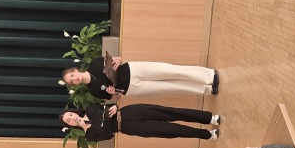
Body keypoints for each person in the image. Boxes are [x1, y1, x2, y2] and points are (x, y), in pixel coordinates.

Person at [61, 56, 219, 100]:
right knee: (172, 87)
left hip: (134, 69)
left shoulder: (95, 63)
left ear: (75, 70)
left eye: (72, 75)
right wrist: (113, 93)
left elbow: (116, 59)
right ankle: (206, 89)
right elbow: (116, 97)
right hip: (132, 89)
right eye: (72, 81)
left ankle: (209, 76)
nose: (74, 79)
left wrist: (118, 60)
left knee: (172, 71)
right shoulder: (93, 91)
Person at [59, 103, 219, 142]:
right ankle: (207, 134)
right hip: (128, 127)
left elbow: (108, 106)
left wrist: (114, 106)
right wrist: (88, 125)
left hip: (130, 111)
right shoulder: (89, 135)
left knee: (171, 112)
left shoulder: (90, 108)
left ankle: (209, 118)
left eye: (70, 115)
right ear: (70, 125)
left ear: (74, 111)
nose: (72, 118)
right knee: (170, 130)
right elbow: (108, 135)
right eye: (69, 120)